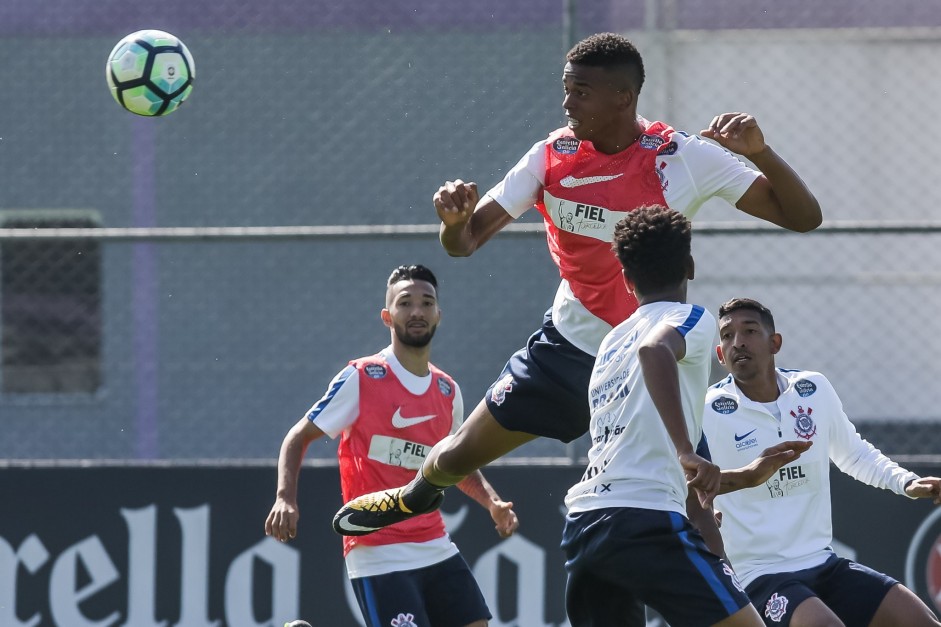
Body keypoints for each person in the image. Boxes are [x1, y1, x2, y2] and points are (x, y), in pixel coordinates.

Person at [334, 31, 821, 535]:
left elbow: (804, 217)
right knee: (457, 453)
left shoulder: (683, 158)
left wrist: (760, 153)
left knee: (697, 514)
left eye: (581, 91)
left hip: (647, 357)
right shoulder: (550, 157)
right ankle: (416, 494)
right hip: (566, 348)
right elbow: (465, 242)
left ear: (623, 97)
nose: (567, 102)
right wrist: (454, 223)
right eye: (566, 88)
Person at [266, 264, 519, 627]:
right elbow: (298, 436)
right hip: (377, 552)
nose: (417, 311)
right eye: (405, 303)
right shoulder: (362, 377)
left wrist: (492, 503)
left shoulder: (447, 391)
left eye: (426, 302)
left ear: (438, 315)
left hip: (435, 545)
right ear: (388, 316)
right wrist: (284, 497)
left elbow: (454, 465)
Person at [560, 205, 768, 626]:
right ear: (689, 267)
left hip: (585, 526)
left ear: (626, 279)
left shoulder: (611, 342)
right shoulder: (691, 318)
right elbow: (655, 350)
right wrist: (685, 451)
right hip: (643, 520)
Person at [702, 297, 941, 627]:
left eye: (750, 330)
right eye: (726, 335)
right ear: (719, 355)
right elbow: (686, 478)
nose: (737, 342)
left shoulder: (812, 389)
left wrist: (907, 483)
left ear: (775, 343)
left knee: (918, 619)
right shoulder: (709, 409)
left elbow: (854, 454)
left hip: (824, 564)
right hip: (759, 576)